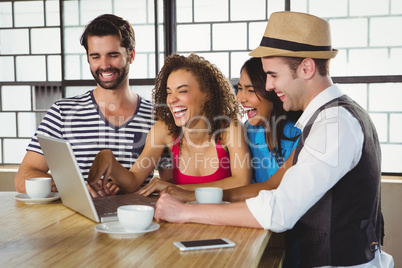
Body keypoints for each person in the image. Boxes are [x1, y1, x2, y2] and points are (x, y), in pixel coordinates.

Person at [154, 11, 393, 267]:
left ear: (306, 67)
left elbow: (279, 210)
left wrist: (186, 211)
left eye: (273, 75)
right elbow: (277, 184)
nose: (267, 86)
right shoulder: (329, 118)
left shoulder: (335, 124)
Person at [15, 14, 155, 196]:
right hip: (76, 221)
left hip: (137, 220)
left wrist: (129, 185)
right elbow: (24, 177)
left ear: (131, 55)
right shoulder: (62, 112)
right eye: (95, 56)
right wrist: (75, 187)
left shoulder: (156, 117)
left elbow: (169, 182)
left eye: (113, 55)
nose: (104, 65)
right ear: (88, 59)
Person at [87, 54, 251, 195]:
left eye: (182, 91)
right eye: (168, 92)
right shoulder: (163, 130)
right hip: (181, 222)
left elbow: (241, 181)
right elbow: (133, 182)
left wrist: (177, 189)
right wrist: (109, 159)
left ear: (207, 93)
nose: (172, 100)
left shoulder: (229, 126)